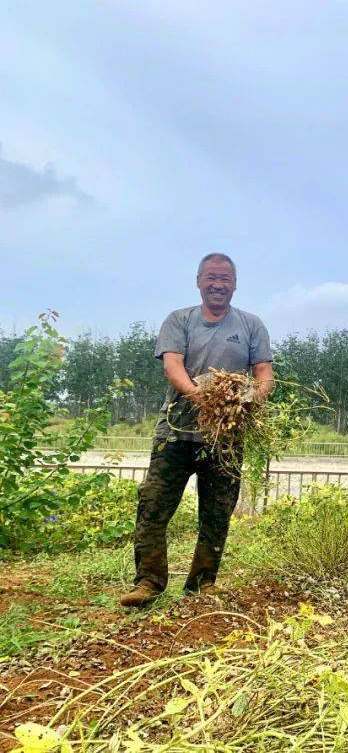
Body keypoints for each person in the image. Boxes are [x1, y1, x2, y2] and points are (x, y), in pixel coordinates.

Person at [119, 253, 274, 608]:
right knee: (154, 504)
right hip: (176, 431)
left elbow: (264, 373)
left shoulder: (251, 325)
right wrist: (199, 396)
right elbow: (173, 365)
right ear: (199, 281)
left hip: (225, 438)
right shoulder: (179, 320)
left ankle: (203, 582)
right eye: (211, 278)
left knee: (218, 510)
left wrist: (253, 397)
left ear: (235, 284)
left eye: (225, 279)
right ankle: (148, 581)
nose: (218, 285)